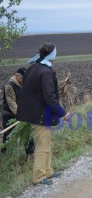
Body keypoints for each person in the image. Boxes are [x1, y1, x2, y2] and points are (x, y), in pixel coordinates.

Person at [16, 43, 70, 185]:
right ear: (52, 55)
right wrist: (63, 113)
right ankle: (39, 177)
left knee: (46, 143)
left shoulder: (34, 67)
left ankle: (47, 171)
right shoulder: (45, 71)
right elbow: (49, 97)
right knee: (42, 145)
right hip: (40, 115)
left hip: (37, 113)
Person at [1, 68, 35, 156]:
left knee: (27, 133)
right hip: (9, 115)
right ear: (17, 76)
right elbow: (11, 102)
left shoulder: (25, 84)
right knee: (8, 136)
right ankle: (5, 155)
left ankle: (30, 154)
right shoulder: (10, 86)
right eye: (23, 78)